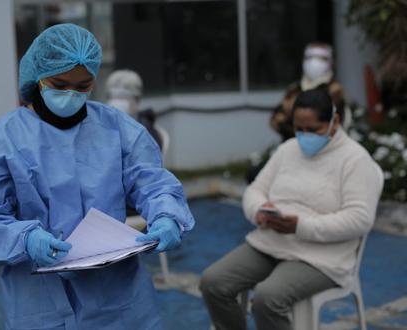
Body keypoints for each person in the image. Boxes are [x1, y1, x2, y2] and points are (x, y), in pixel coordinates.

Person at [0, 23, 195, 330]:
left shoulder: (119, 129)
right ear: (36, 78)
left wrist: (167, 216)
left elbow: (151, 182)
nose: (71, 95)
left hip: (120, 298)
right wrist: (26, 239)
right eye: (59, 84)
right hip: (40, 301)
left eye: (83, 86)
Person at [200, 89, 382, 330]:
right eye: (299, 129)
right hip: (272, 242)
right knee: (213, 282)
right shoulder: (288, 150)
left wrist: (300, 226)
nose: (304, 137)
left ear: (334, 122)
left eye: (313, 129)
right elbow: (255, 190)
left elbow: (359, 219)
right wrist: (259, 210)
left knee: (267, 298)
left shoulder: (355, 160)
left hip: (321, 257)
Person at [270, 42, 350, 142]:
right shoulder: (294, 88)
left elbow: (329, 123)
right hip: (293, 144)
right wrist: (298, 131)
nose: (314, 62)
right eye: (310, 57)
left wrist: (298, 124)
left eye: (321, 58)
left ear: (331, 62)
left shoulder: (334, 90)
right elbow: (277, 120)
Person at [105, 69, 164, 149]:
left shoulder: (147, 132)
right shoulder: (101, 126)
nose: (117, 103)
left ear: (137, 101)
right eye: (113, 97)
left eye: (123, 97)